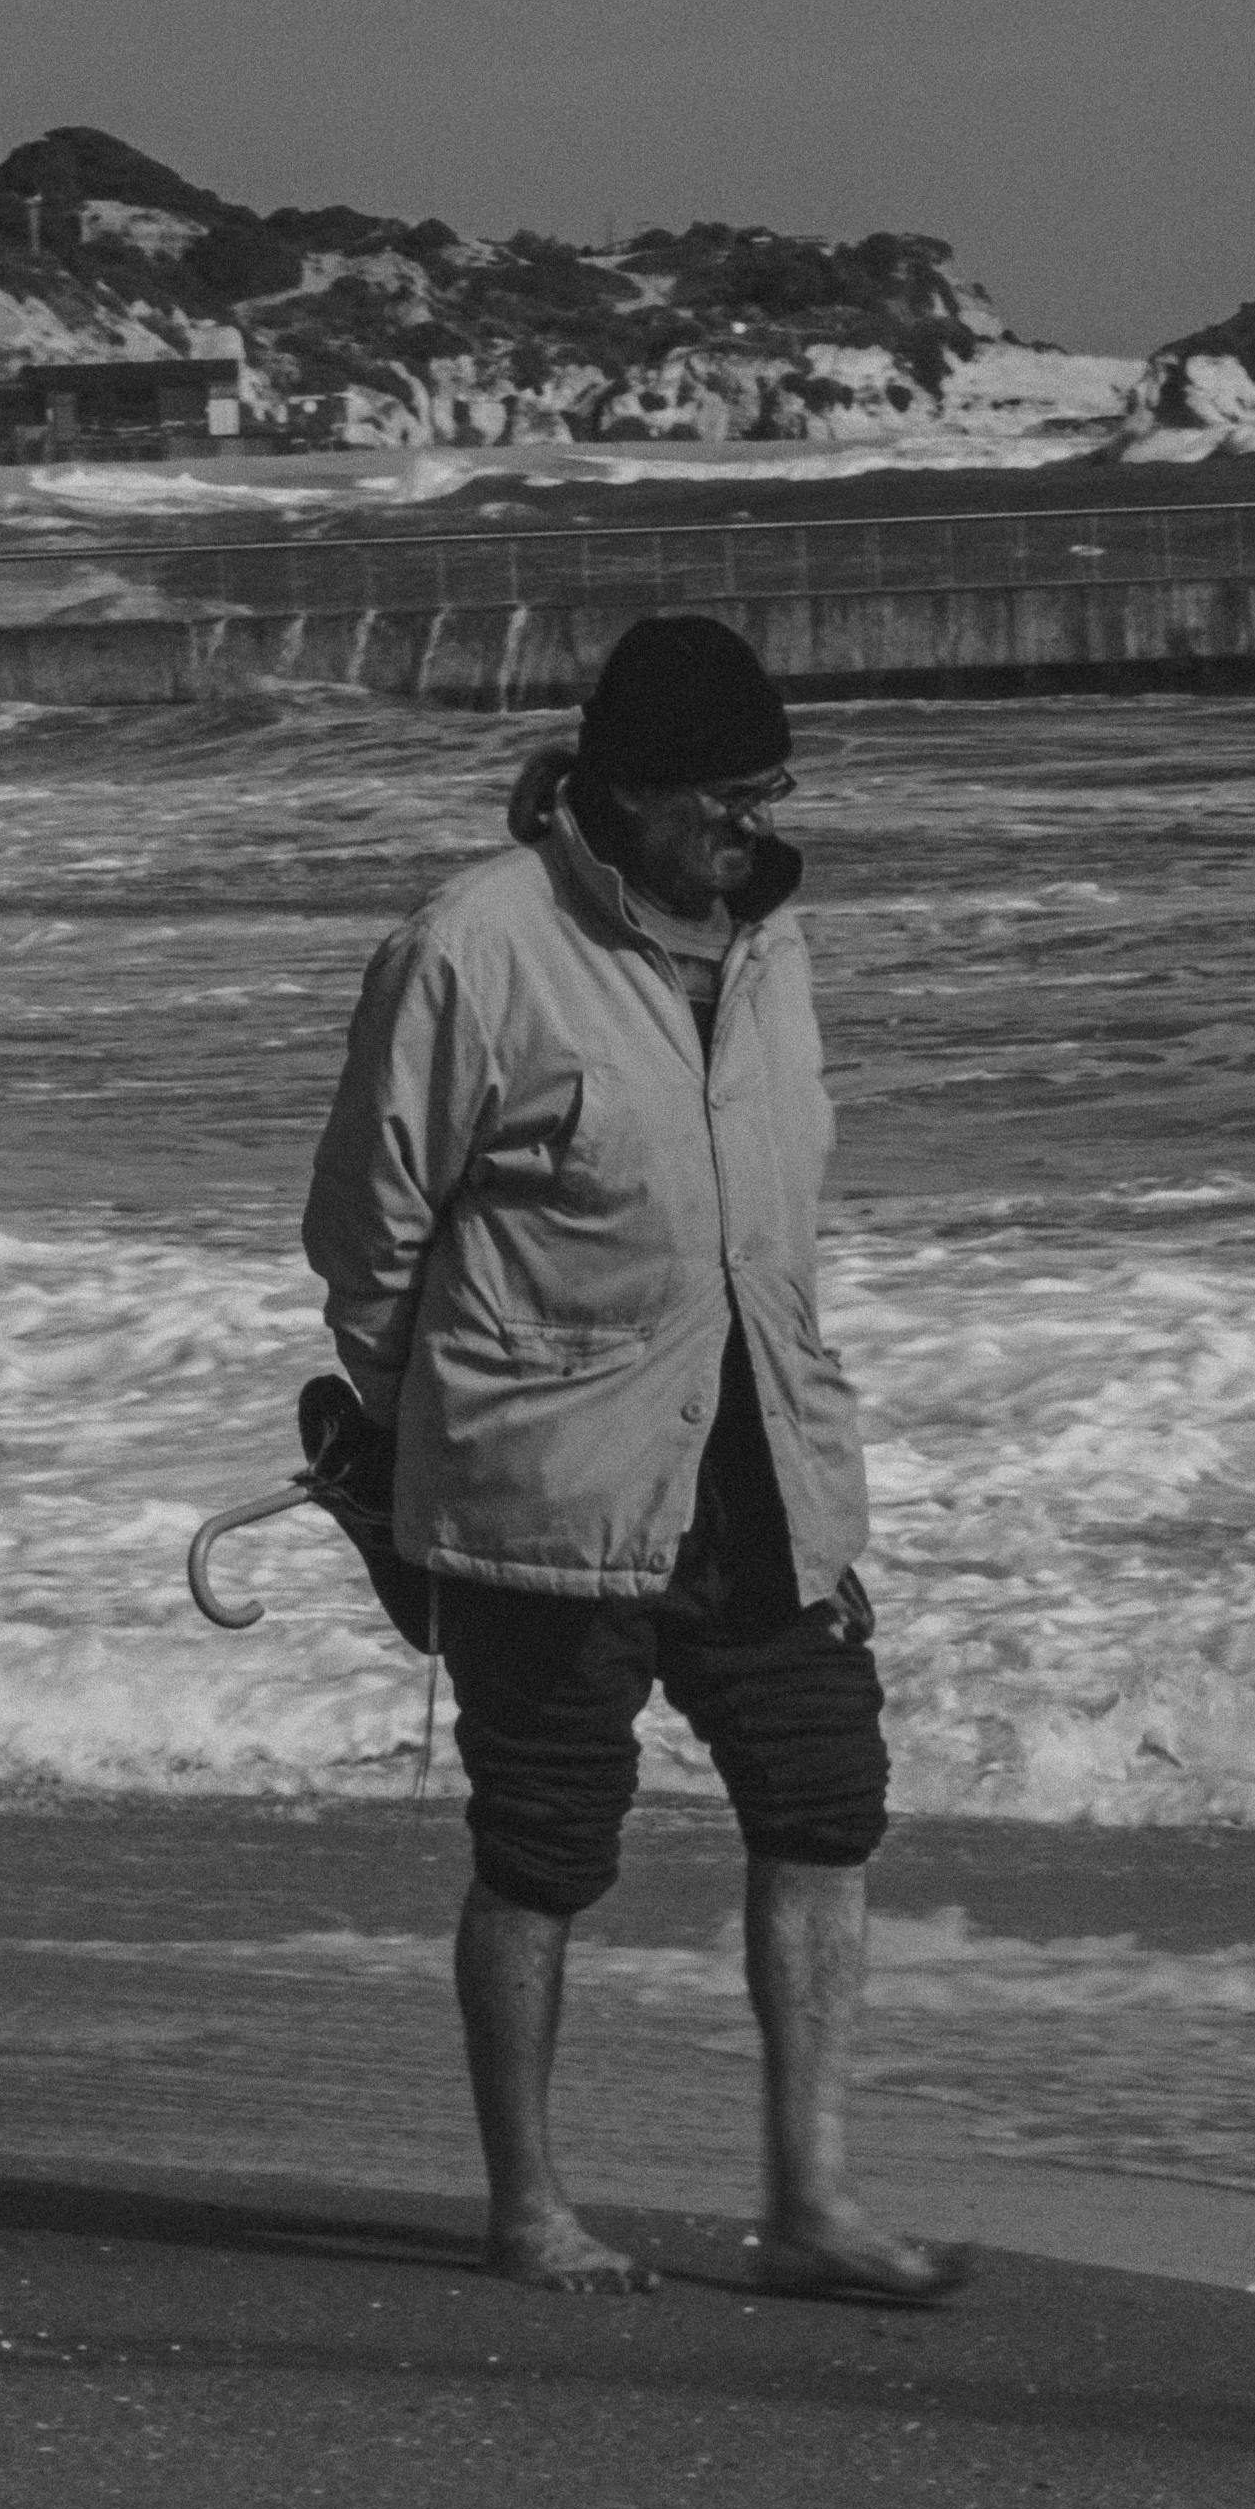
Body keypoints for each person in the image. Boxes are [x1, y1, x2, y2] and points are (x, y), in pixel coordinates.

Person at [300, 611, 965, 2305]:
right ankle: (529, 2209)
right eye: (728, 798)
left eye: (774, 790)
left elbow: (774, 1222)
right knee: (544, 1844)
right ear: (629, 790)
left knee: (826, 1806)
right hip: (550, 1485)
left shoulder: (771, 942)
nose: (759, 825)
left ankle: (811, 2202)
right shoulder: (473, 947)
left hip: (760, 1460)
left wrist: (812, 1469)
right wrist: (437, 1441)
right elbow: (367, 1242)